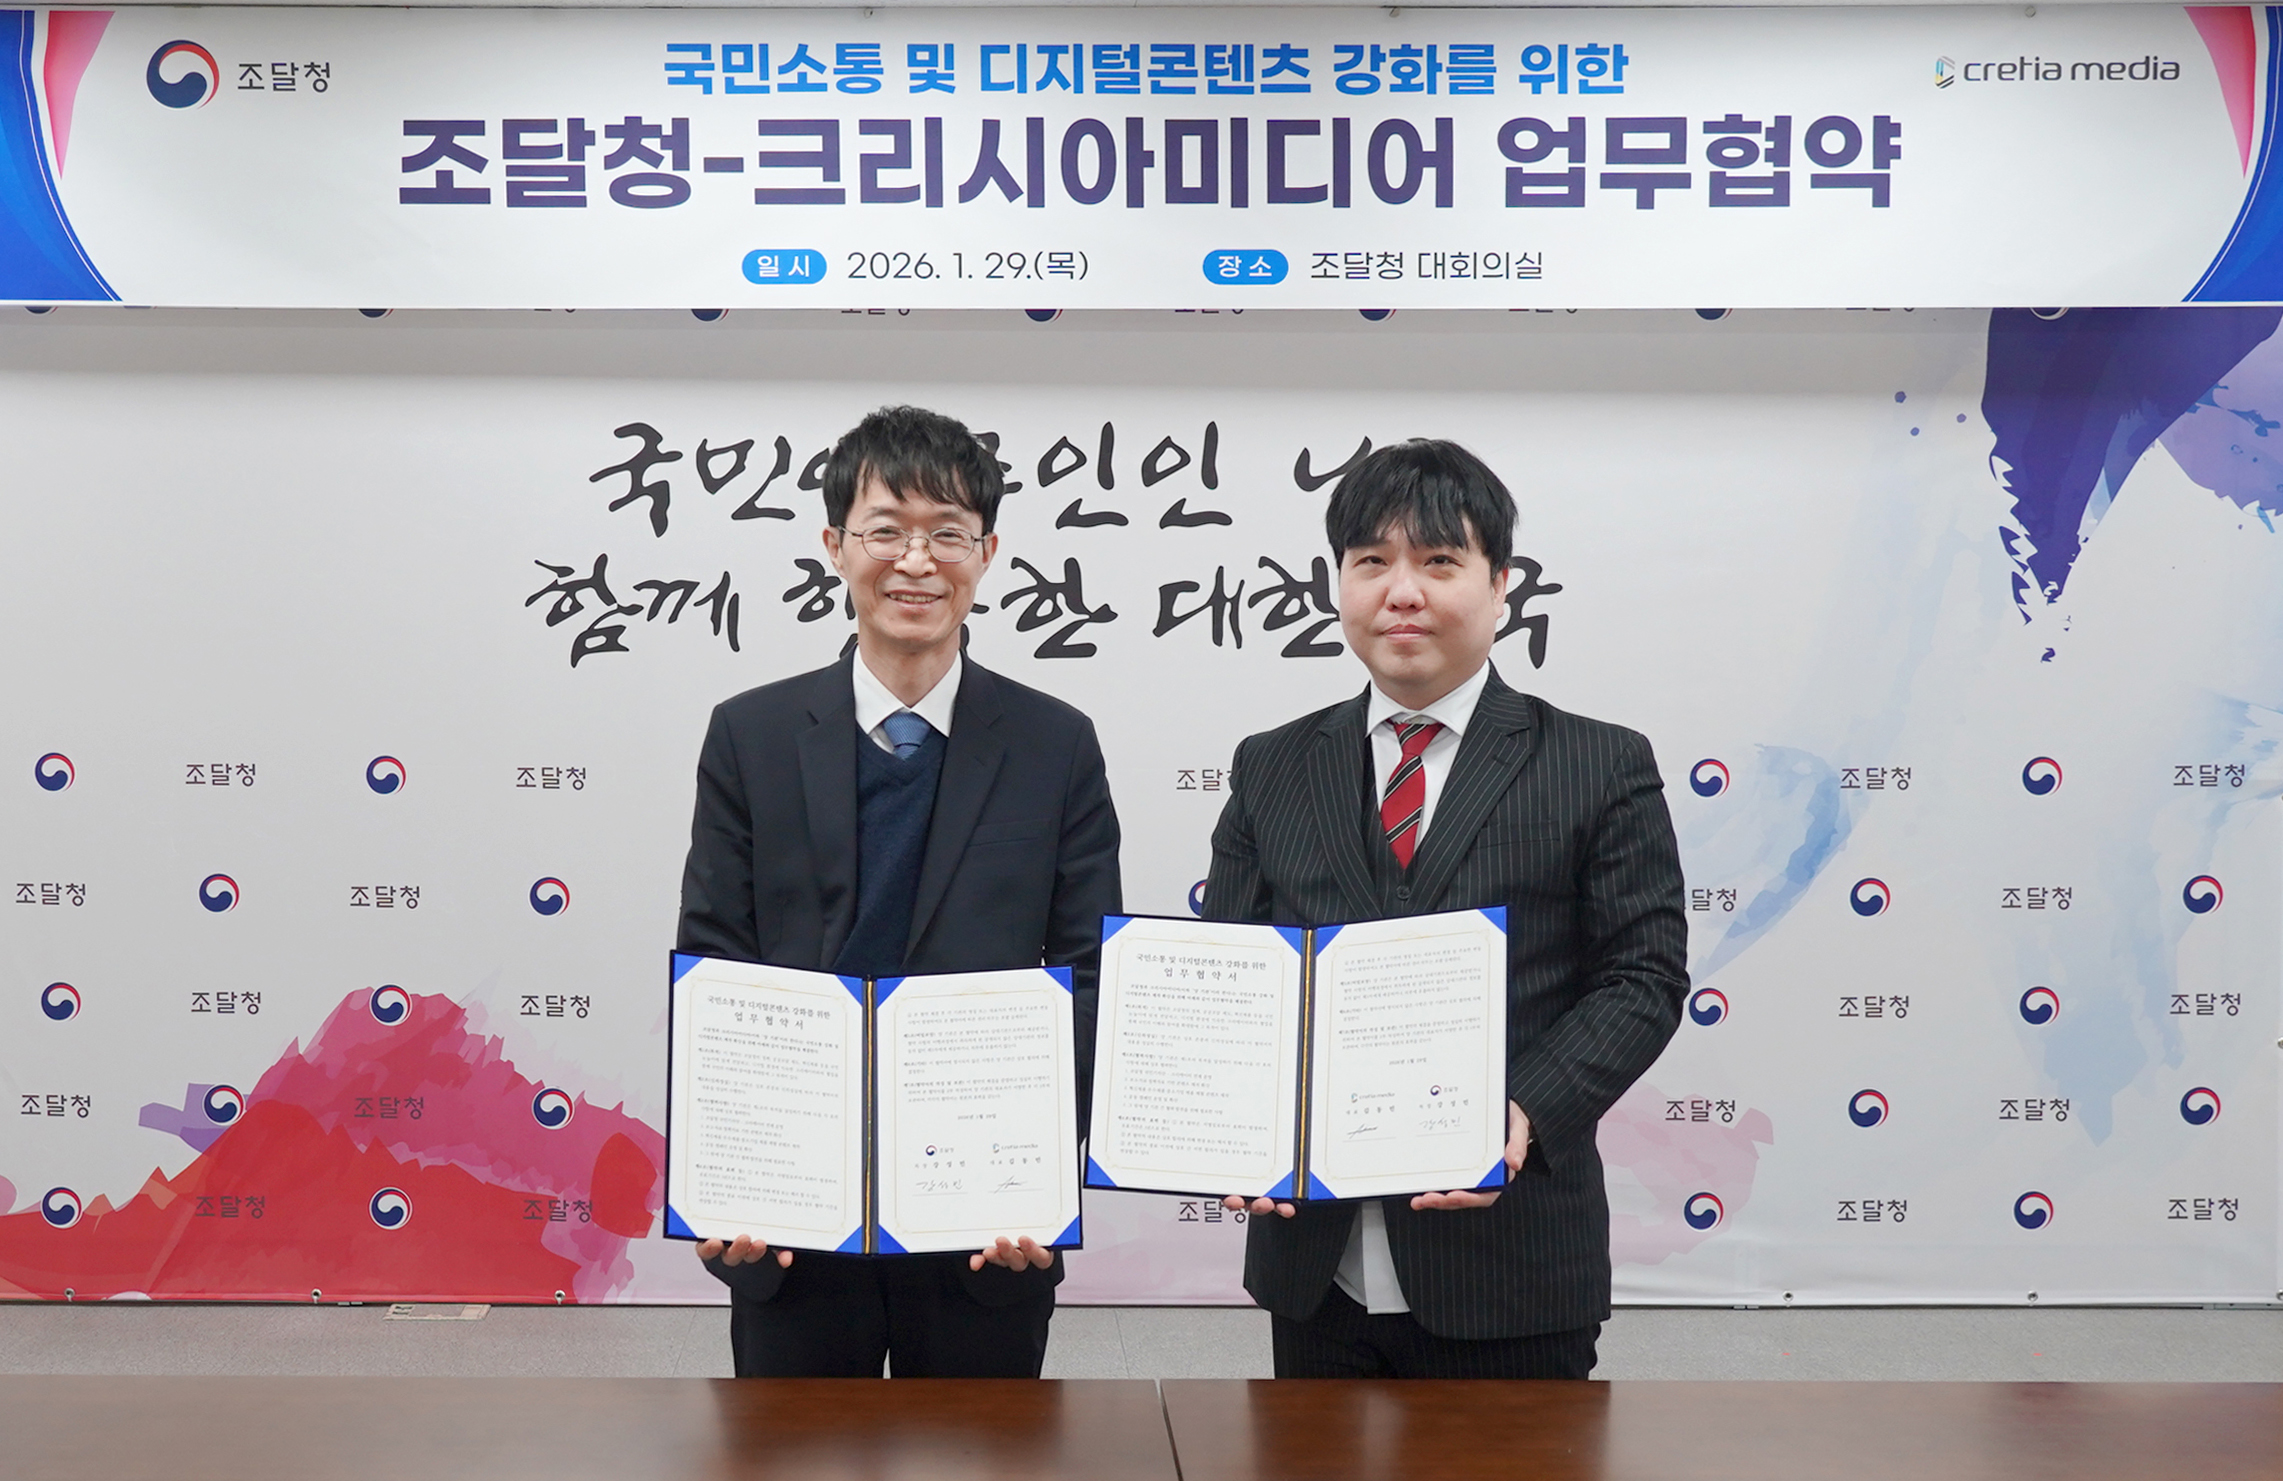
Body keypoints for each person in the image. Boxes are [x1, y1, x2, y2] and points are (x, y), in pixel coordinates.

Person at [1207, 439, 1686, 1380]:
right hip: (1315, 1266)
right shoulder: (1271, 764)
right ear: (1338, 582)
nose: (1401, 591)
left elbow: (1642, 977)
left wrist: (1523, 1109)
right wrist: (1232, 1120)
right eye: (1371, 561)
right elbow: (1234, 975)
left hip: (1512, 1263)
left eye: (1437, 560)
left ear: (1500, 583)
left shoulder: (1598, 762)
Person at [676, 404, 1121, 1378]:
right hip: (791, 1222)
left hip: (984, 1224)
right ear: (835, 545)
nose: (916, 560)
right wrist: (728, 1174)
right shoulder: (750, 735)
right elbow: (715, 962)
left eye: (947, 533)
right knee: (793, 1448)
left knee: (979, 1448)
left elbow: (1090, 974)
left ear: (987, 552)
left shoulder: (1055, 743)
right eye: (887, 529)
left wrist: (1038, 1169)